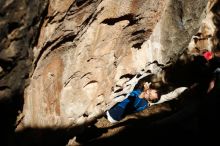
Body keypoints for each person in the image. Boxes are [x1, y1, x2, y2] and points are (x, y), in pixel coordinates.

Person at [106, 80, 187, 123]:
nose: (148, 92)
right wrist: (183, 90)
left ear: (149, 99)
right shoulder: (147, 101)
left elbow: (137, 99)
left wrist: (145, 90)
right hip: (117, 116)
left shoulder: (142, 101)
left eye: (149, 94)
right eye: (150, 91)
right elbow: (166, 97)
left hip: (113, 114)